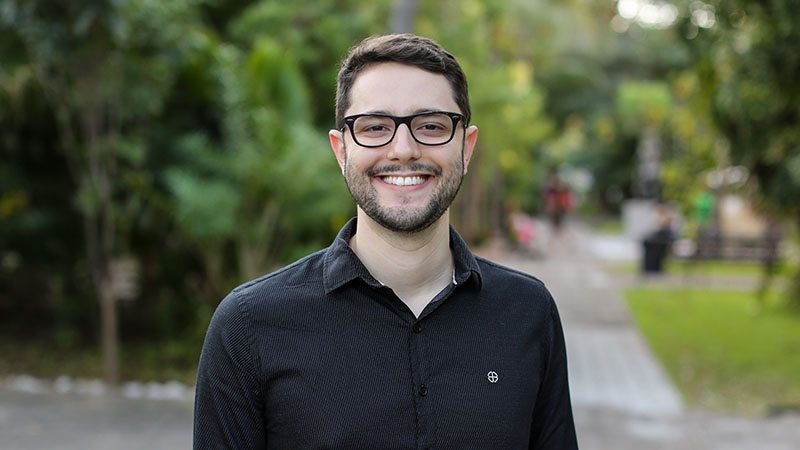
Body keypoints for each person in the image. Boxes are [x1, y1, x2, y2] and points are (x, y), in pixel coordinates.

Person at [193, 33, 578, 449]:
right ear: (341, 151)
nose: (403, 149)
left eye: (431, 125)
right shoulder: (249, 326)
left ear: (466, 148)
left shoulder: (528, 312)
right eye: (375, 127)